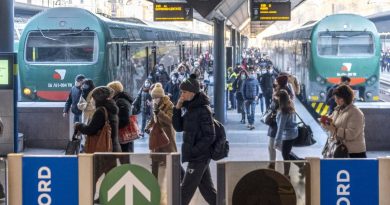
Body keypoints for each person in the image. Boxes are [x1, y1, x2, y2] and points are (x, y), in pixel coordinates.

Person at [172, 74, 217, 205]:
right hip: (197, 156)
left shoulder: (203, 110)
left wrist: (194, 151)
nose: (182, 94)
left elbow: (210, 135)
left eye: (184, 92)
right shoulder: (190, 108)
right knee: (208, 190)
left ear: (193, 92)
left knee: (184, 191)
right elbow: (178, 127)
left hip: (199, 156)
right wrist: (177, 108)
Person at [321, 85, 367, 158]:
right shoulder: (338, 110)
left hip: (353, 154)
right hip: (340, 150)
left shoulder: (355, 113)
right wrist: (325, 122)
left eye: (337, 98)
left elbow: (351, 134)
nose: (335, 101)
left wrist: (334, 129)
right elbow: (331, 122)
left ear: (344, 99)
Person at [74, 86, 121, 152]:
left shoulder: (101, 111)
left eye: (92, 98)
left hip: (104, 149)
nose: (92, 101)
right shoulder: (111, 109)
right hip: (114, 147)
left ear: (98, 98)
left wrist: (78, 125)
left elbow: (90, 130)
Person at [145, 83, 177, 177]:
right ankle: (153, 179)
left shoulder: (169, 105)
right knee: (155, 158)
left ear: (161, 97)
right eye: (153, 97)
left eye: (156, 97)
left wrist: (159, 112)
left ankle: (178, 178)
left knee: (170, 158)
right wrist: (148, 127)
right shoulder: (155, 104)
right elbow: (153, 118)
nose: (154, 99)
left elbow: (170, 120)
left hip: (167, 135)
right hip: (157, 134)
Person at [274, 90, 302, 178]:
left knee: (285, 155)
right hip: (293, 133)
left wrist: (277, 140)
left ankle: (287, 174)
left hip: (288, 135)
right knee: (286, 152)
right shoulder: (290, 105)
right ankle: (301, 164)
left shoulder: (283, 111)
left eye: (277, 99)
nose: (276, 100)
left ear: (281, 99)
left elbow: (281, 127)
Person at [107, 81, 135, 152]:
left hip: (123, 136)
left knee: (124, 157)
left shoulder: (120, 101)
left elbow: (124, 120)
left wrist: (113, 126)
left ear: (114, 91)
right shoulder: (120, 100)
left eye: (109, 90)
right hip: (124, 137)